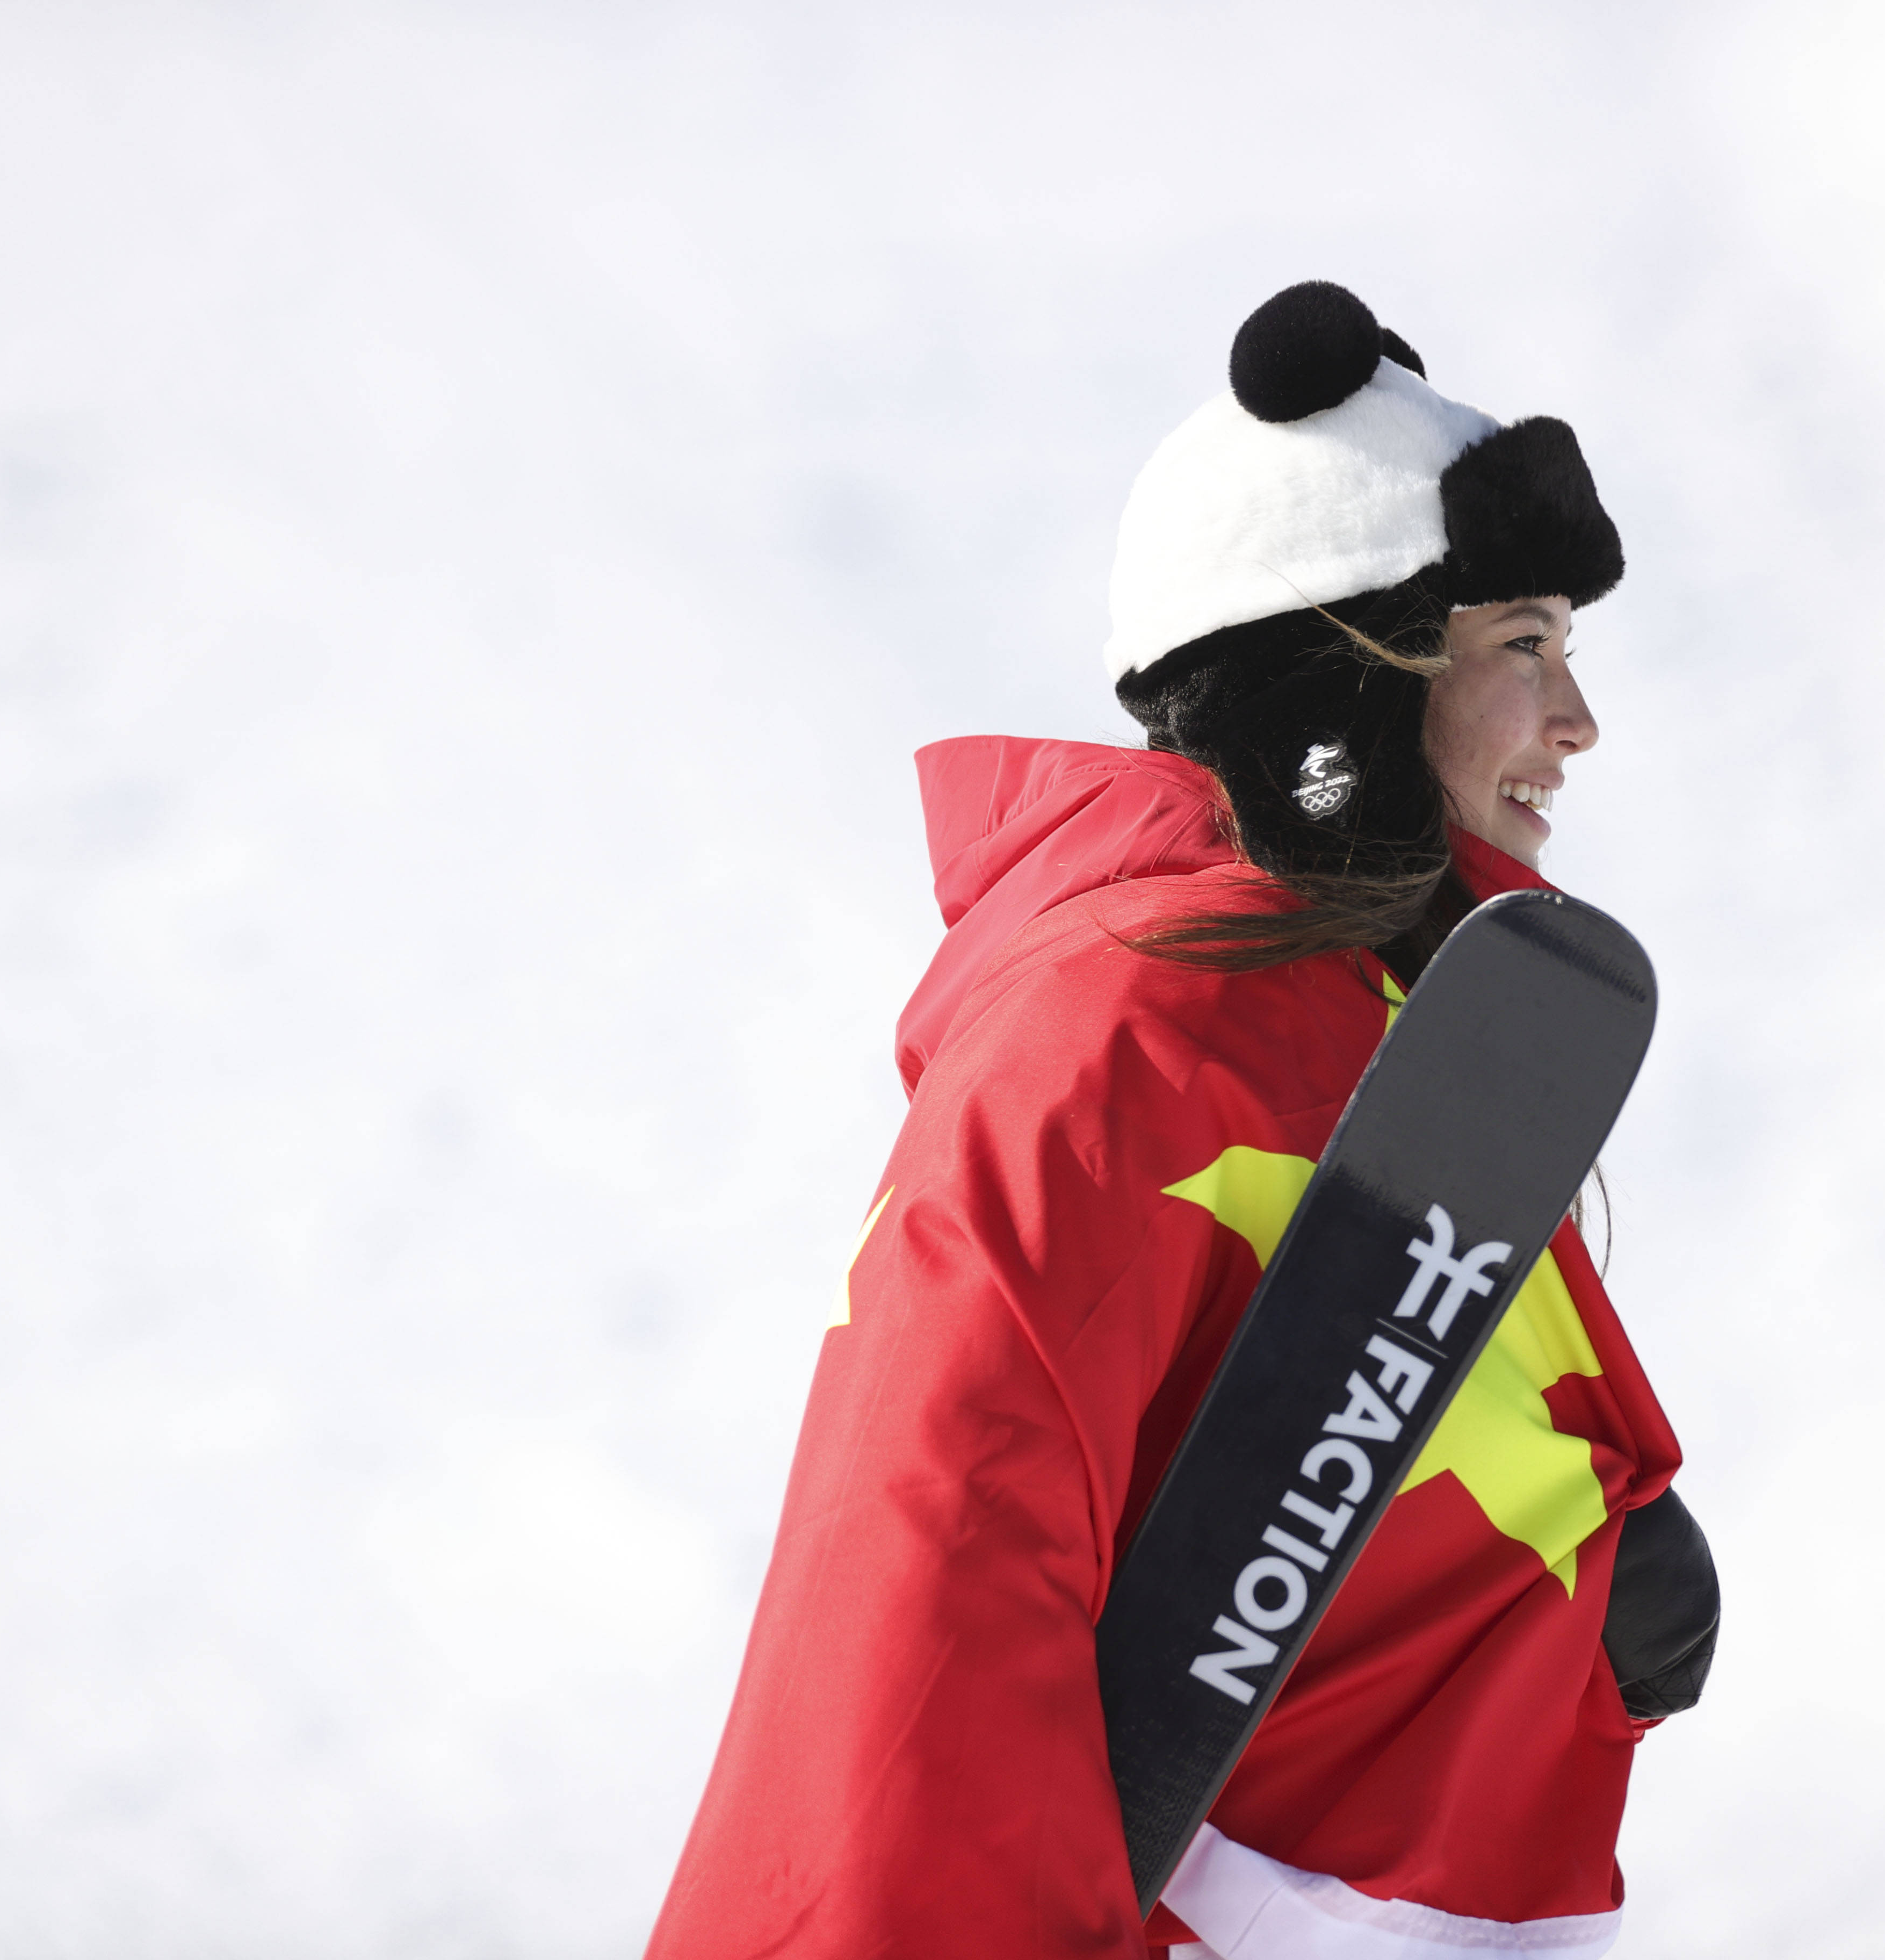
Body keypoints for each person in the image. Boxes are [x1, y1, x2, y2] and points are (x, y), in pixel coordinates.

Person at [647, 282, 1717, 1960]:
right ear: (1343, 685)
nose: (1576, 723)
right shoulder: (1120, 1030)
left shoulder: (1355, 1021)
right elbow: (925, 1578)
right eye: (1522, 646)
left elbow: (1316, 1446)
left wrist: (1599, 1565)